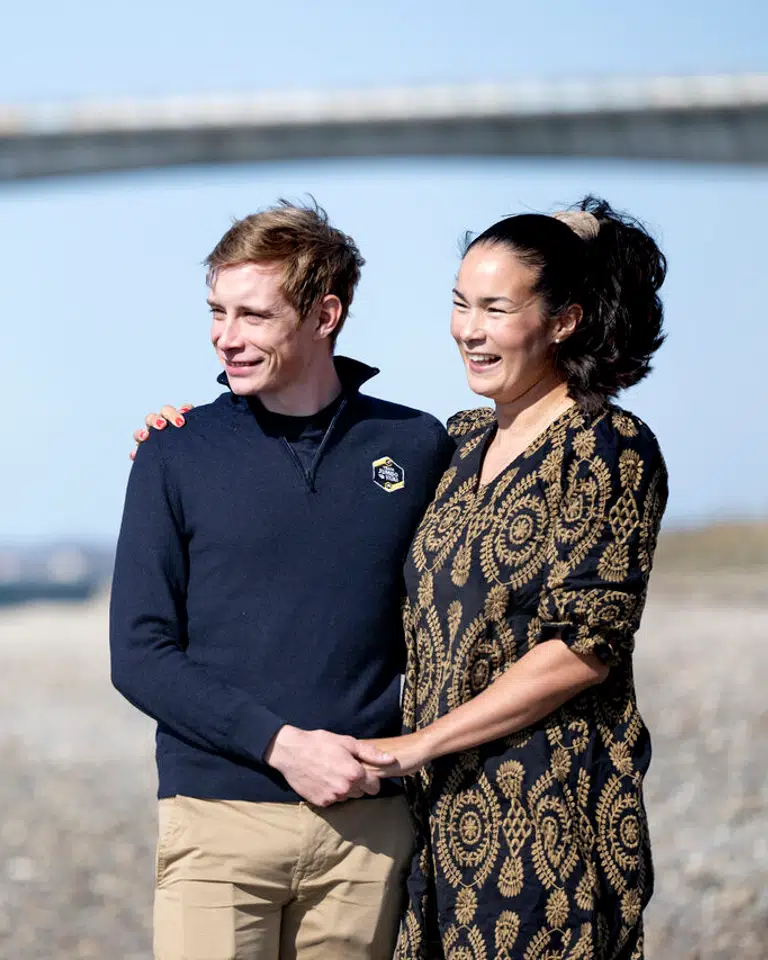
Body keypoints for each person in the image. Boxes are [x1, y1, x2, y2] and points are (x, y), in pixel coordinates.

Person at [136, 197, 669, 960]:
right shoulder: (452, 446)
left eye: (495, 307)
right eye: (460, 303)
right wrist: (183, 443)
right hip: (439, 828)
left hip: (545, 811)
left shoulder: (607, 445)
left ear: (563, 321)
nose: (469, 328)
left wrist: (414, 746)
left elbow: (585, 647)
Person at [110, 200, 455, 960]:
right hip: (217, 821)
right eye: (216, 311)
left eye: (253, 315)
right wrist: (281, 745)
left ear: (324, 314)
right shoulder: (176, 455)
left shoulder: (416, 444)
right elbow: (139, 655)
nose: (224, 336)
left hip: (367, 828)